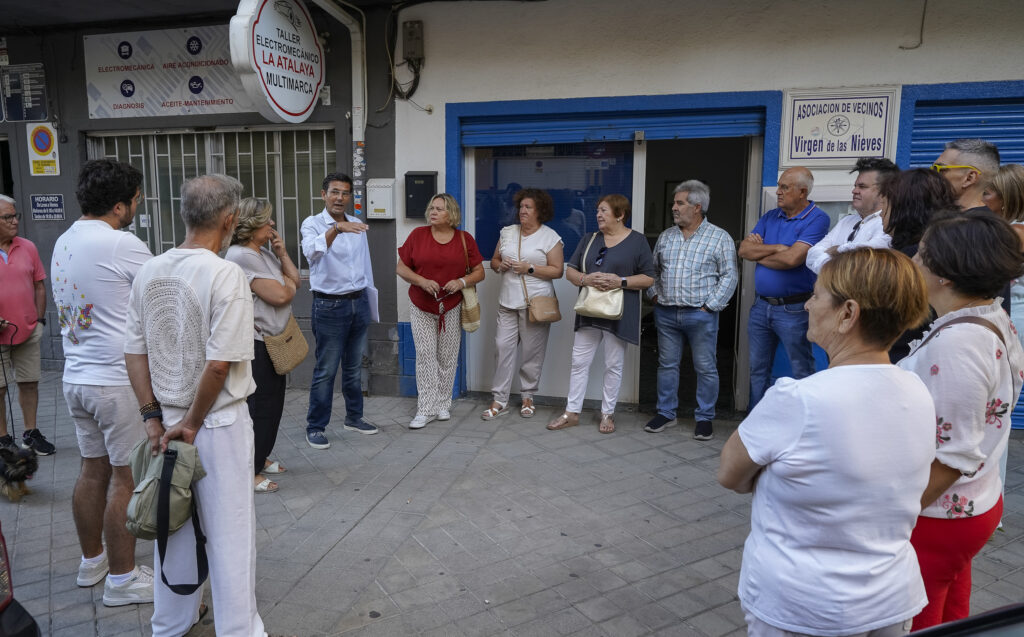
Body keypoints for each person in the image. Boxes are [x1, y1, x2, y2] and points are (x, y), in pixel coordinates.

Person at [719, 248, 936, 637]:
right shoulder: (917, 389)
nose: (806, 304)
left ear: (847, 313)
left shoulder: (798, 399)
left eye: (816, 294)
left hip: (803, 607)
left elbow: (730, 475)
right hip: (889, 600)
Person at [124, 174, 267, 637]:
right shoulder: (225, 273)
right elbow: (219, 365)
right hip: (216, 424)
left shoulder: (151, 269)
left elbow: (134, 350)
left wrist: (152, 419)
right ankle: (237, 630)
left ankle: (169, 624)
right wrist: (191, 423)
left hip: (165, 421)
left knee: (172, 527)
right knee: (230, 536)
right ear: (228, 221)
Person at [897, 210, 1024, 630]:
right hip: (969, 504)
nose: (913, 261)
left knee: (920, 618)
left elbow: (954, 453)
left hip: (941, 514)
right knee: (950, 610)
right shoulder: (987, 317)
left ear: (946, 275)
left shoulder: (960, 342)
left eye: (922, 254)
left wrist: (895, 511)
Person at [51, 160, 154, 605]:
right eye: (135, 200)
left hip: (76, 377)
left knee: (93, 469)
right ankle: (122, 578)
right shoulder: (120, 244)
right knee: (126, 478)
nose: (137, 206)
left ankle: (92, 561)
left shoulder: (63, 240)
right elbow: (164, 285)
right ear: (119, 205)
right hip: (115, 381)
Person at [546, 194, 655, 434]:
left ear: (620, 214)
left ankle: (607, 414)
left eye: (604, 211)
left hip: (619, 312)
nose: (598, 215)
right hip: (590, 310)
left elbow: (648, 277)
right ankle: (571, 412)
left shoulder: (637, 241)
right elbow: (571, 271)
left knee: (613, 364)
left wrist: (621, 281)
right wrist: (586, 279)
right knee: (579, 363)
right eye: (597, 211)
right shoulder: (589, 238)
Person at [645, 180, 737, 440]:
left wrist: (711, 306)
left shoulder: (719, 238)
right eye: (674, 202)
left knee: (706, 367)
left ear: (697, 207)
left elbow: (729, 276)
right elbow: (653, 271)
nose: (673, 207)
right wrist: (653, 296)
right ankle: (666, 413)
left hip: (701, 314)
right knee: (667, 365)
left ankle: (705, 418)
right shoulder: (666, 237)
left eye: (679, 203)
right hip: (666, 313)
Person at [737, 167, 829, 409]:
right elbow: (744, 250)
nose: (778, 192)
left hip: (794, 309)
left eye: (784, 187)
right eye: (779, 186)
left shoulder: (818, 218)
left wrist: (764, 252)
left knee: (801, 369)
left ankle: (803, 425)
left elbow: (792, 260)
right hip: (761, 306)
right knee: (758, 370)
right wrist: (779, 248)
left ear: (802, 192)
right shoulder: (770, 216)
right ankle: (756, 422)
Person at [226, 198, 300, 494]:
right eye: (267, 221)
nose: (272, 225)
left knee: (273, 403)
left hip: (273, 340)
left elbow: (294, 280)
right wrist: (287, 287)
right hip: (257, 343)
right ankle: (251, 470)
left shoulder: (263, 252)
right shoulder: (242, 255)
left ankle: (261, 454)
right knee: (261, 408)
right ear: (251, 225)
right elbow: (281, 296)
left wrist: (281, 253)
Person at [301, 172, 379, 448]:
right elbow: (312, 253)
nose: (340, 198)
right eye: (334, 192)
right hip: (329, 305)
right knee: (326, 369)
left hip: (357, 302)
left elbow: (364, 265)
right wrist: (335, 230)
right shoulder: (312, 224)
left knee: (354, 367)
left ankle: (354, 417)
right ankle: (315, 426)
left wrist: (369, 302)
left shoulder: (356, 223)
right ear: (324, 195)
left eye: (345, 193)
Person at [397, 194, 485, 429]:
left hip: (452, 306)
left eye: (440, 209)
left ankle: (443, 404)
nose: (433, 212)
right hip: (421, 305)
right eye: (432, 207)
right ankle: (425, 409)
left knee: (447, 357)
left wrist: (462, 282)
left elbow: (479, 272)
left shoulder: (464, 239)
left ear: (452, 214)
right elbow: (401, 268)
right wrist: (421, 281)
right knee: (426, 356)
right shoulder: (418, 236)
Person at [482, 188, 563, 420]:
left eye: (528, 207)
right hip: (507, 302)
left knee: (531, 353)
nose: (522, 211)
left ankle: (528, 396)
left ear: (540, 211)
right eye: (521, 206)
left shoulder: (550, 237)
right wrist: (500, 266)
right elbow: (495, 261)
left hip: (534, 305)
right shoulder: (507, 232)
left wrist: (530, 268)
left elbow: (557, 271)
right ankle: (500, 399)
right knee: (502, 349)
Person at [878, 169, 958, 362]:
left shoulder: (909, 259)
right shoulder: (947, 248)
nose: (880, 214)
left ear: (904, 209)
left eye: (885, 205)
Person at [0, 195, 54, 456]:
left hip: (28, 330)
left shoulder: (28, 247)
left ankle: (30, 434)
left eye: (15, 215)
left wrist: (40, 320)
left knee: (29, 383)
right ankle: (2, 438)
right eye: (7, 217)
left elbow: (39, 285)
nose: (15, 222)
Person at [806, 157, 899, 273]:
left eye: (862, 186)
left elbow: (871, 253)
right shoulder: (847, 221)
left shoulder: (887, 223)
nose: (854, 191)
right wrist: (840, 270)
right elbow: (811, 254)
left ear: (885, 191)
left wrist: (837, 250)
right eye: (855, 186)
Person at [983, 164, 1024, 339]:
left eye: (986, 193)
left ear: (1006, 199)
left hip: (1014, 319)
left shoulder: (1013, 233)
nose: (980, 198)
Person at [932, 138, 1000, 210]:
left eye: (939, 169)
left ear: (969, 178)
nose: (931, 175)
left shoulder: (973, 221)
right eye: (932, 168)